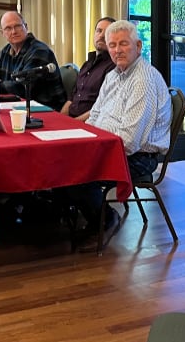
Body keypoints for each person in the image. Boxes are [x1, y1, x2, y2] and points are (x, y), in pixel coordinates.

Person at [65, 19, 171, 249]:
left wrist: (90, 152)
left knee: (73, 173)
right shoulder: (114, 75)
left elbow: (130, 142)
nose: (117, 50)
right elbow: (95, 117)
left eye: (123, 44)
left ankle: (105, 220)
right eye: (112, 45)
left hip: (137, 158)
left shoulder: (143, 80)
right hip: (106, 146)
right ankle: (86, 218)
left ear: (139, 46)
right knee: (60, 164)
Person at [0, 11, 67, 112]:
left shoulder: (39, 51)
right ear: (2, 33)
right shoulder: (6, 51)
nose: (13, 32)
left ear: (26, 27)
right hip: (19, 107)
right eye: (8, 28)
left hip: (46, 110)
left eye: (17, 26)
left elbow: (22, 87)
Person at [61, 16, 116, 121]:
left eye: (108, 32)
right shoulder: (86, 65)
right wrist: (61, 119)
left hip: (90, 123)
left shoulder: (113, 67)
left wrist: (74, 123)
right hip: (72, 121)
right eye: (98, 31)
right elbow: (71, 99)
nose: (102, 35)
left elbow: (102, 107)